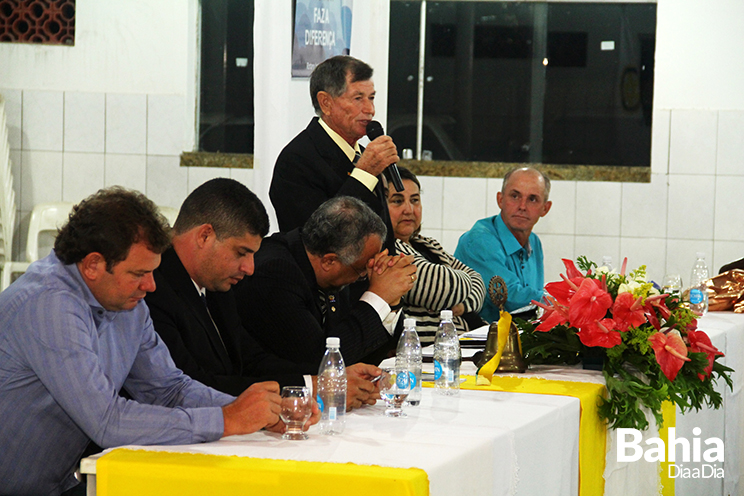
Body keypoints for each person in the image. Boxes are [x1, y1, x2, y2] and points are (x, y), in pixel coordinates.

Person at [0, 187, 314, 496]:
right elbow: (107, 422)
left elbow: (168, 388)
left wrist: (259, 412)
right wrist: (227, 419)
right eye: (139, 273)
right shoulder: (48, 303)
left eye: (152, 272)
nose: (150, 286)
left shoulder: (124, 299)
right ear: (93, 265)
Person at [144, 178, 381, 410]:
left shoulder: (214, 281)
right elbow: (193, 386)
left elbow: (251, 359)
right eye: (241, 253)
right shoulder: (152, 286)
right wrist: (313, 387)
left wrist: (325, 378)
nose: (250, 268)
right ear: (205, 236)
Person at [233, 196, 417, 367]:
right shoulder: (274, 274)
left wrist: (390, 301)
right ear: (329, 261)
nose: (365, 276)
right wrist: (378, 297)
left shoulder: (335, 269)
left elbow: (358, 355)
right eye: (362, 270)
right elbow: (321, 362)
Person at [270, 55, 399, 254]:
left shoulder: (363, 156)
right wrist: (364, 174)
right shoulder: (297, 160)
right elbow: (319, 239)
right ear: (326, 103)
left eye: (371, 98)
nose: (370, 109)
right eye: (358, 98)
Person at [387, 166, 486, 343]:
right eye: (397, 201)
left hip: (459, 344)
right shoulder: (389, 251)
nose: (409, 209)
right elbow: (446, 288)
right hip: (424, 353)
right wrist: (460, 284)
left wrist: (462, 306)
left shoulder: (428, 244)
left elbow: (479, 280)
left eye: (415, 200)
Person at [455, 167, 552, 323]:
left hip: (514, 338)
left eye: (532, 199)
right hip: (476, 341)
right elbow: (510, 297)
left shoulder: (534, 242)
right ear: (500, 200)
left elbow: (531, 308)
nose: (522, 206)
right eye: (515, 196)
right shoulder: (479, 241)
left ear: (545, 209)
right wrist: (564, 301)